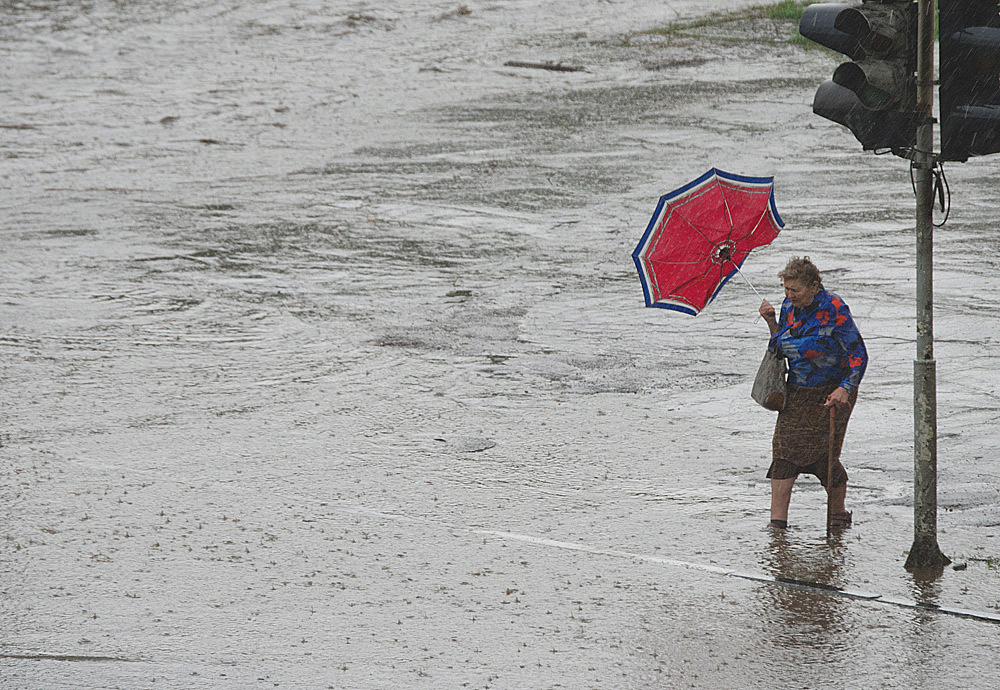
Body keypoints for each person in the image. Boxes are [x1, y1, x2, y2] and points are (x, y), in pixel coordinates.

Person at [758, 257, 868, 529]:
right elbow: (780, 346)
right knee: (783, 454)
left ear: (814, 286)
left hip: (831, 394)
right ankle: (777, 525)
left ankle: (837, 517)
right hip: (796, 391)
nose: (789, 295)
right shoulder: (788, 308)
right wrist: (771, 322)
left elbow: (858, 355)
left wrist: (845, 388)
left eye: (795, 289)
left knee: (825, 457)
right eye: (786, 288)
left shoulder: (835, 309)